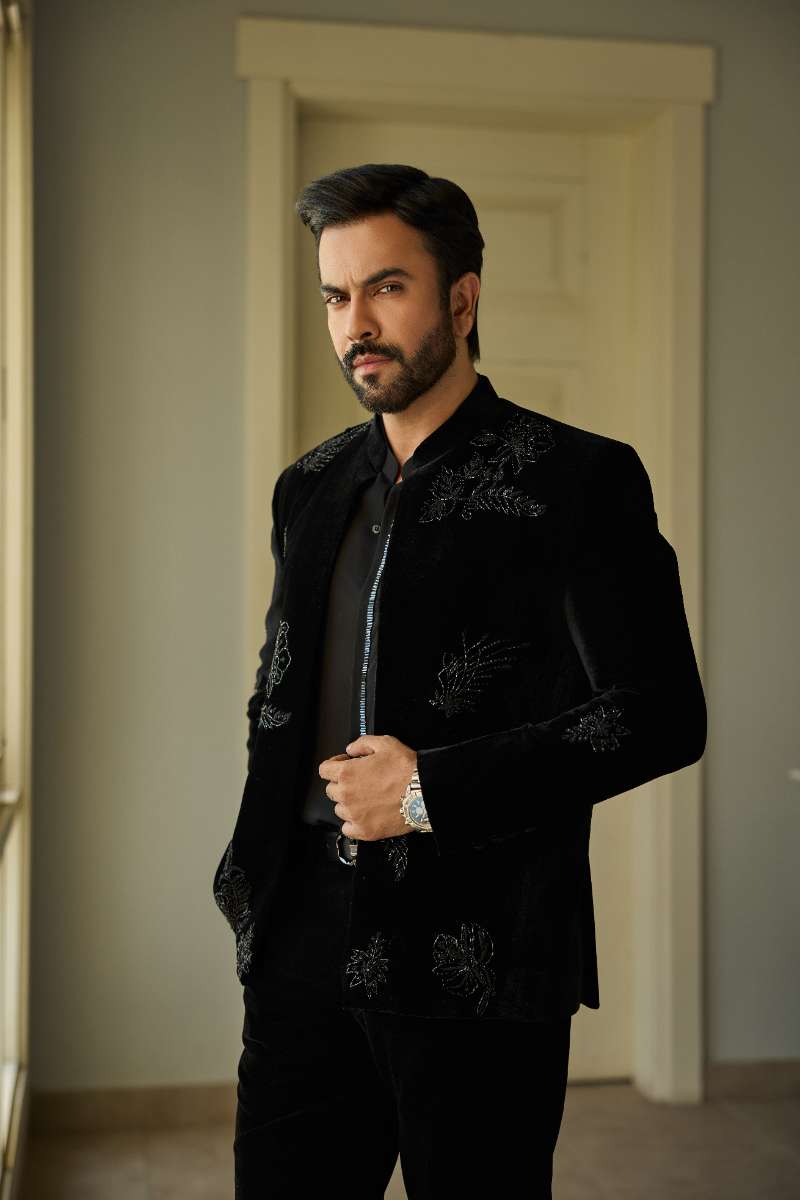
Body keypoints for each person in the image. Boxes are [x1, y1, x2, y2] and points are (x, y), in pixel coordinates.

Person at [213, 163, 707, 1199]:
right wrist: (253, 888)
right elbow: (282, 690)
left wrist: (426, 789)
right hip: (301, 942)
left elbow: (660, 714)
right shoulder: (308, 486)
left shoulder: (576, 479)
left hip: (478, 955)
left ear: (462, 300)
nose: (356, 324)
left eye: (386, 287)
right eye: (336, 296)